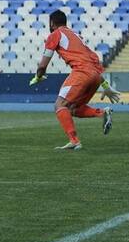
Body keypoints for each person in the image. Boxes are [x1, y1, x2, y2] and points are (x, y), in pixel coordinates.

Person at [30, 10, 119, 150]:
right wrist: (105, 85)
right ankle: (103, 113)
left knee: (60, 105)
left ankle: (74, 141)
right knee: (73, 109)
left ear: (52, 23)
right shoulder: (77, 36)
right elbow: (92, 60)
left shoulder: (55, 35)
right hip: (95, 75)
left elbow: (42, 65)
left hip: (81, 73)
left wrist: (38, 76)